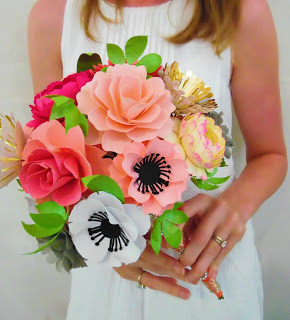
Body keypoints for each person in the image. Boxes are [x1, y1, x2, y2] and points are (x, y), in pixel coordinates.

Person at [28, 0, 287, 319]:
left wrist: (234, 207)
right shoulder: (54, 15)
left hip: (206, 271)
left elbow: (270, 155)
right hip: (105, 277)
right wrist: (108, 242)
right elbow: (49, 164)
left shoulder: (241, 10)